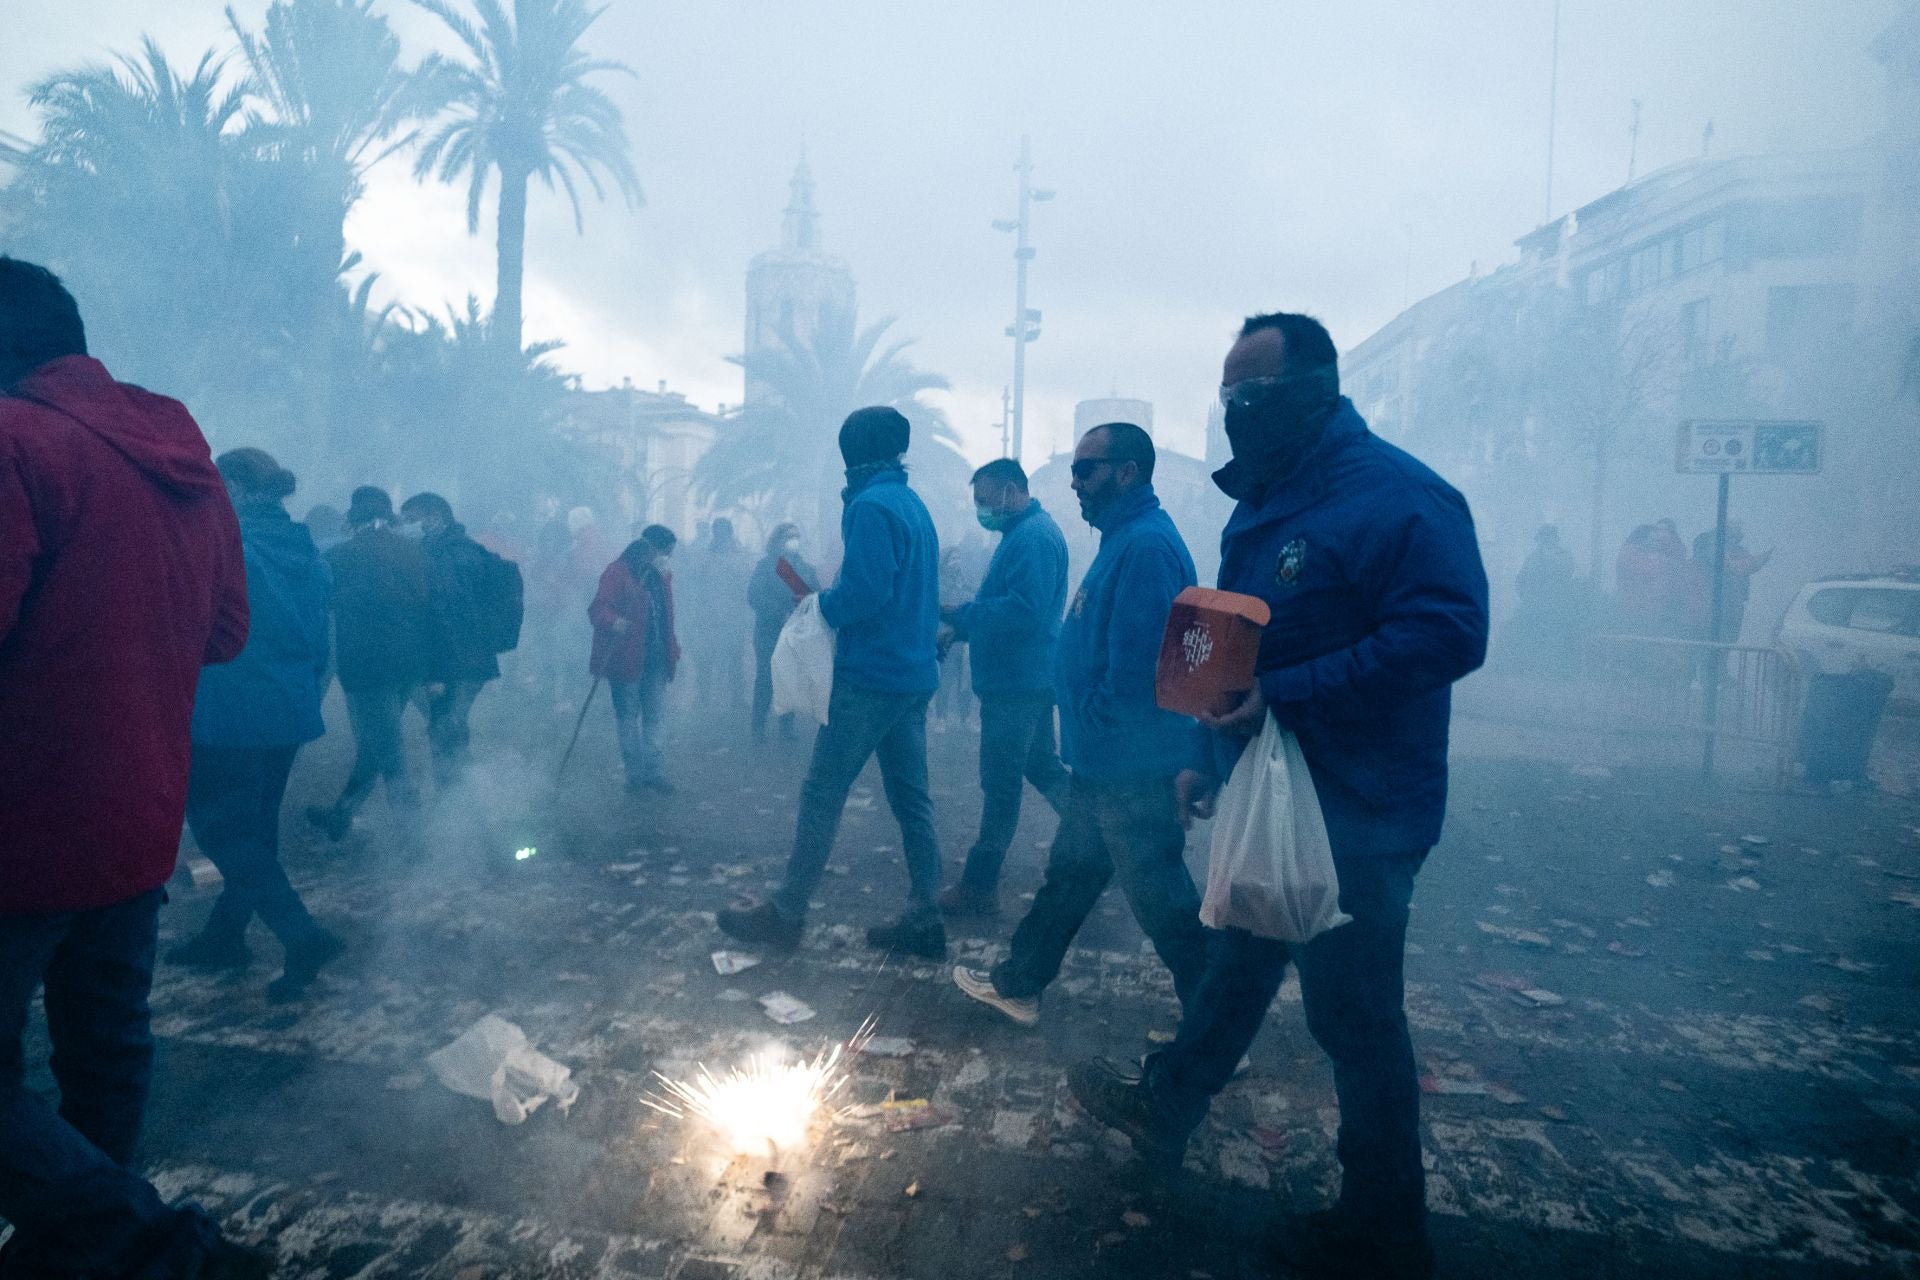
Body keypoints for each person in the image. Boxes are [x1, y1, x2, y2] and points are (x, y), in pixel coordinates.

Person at [1066, 314, 1489, 1280]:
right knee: (1237, 969)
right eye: (1227, 395)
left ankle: (1385, 1227)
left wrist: (1288, 695)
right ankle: (1167, 1102)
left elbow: (1449, 633)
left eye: (1252, 393)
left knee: (1355, 1017)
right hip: (1271, 791)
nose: (1235, 412)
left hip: (1360, 812)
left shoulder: (1400, 498)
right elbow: (1234, 646)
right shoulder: (1268, 501)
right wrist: (1200, 757)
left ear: (1313, 388)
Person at [0, 258, 270, 1276]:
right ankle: (78, 1253)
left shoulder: (16, 441)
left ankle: (156, 1247)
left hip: (19, 828)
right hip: (139, 818)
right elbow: (228, 629)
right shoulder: (187, 466)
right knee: (105, 1051)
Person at [951, 424, 1208, 1026]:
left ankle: (1219, 1028)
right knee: (1070, 878)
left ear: (1127, 472)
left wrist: (1095, 716)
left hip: (1131, 763)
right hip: (1106, 761)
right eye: (1073, 469)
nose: (1074, 483)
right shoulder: (1125, 539)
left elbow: (1138, 664)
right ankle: (1020, 983)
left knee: (1165, 903)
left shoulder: (1145, 546)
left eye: (1086, 470)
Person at [717, 406, 946, 958]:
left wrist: (821, 606)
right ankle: (926, 915)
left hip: (871, 677)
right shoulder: (913, 505)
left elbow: (867, 594)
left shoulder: (871, 506)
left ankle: (787, 912)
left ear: (852, 452)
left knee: (822, 793)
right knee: (913, 801)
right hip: (912, 674)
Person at [173, 449, 344, 1003]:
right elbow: (321, 644)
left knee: (222, 830)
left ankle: (301, 934)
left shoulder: (223, 544)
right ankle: (224, 936)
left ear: (238, 487)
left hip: (225, 709)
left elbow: (193, 627)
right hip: (287, 711)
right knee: (257, 829)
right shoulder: (311, 554)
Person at [938, 458, 1072, 916]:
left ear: (1013, 491)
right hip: (1028, 676)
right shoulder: (1026, 534)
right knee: (1042, 767)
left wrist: (959, 615)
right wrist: (963, 628)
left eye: (985, 501)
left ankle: (979, 885)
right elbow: (1008, 606)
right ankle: (1101, 841)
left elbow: (1021, 612)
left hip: (1017, 682)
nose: (981, 510)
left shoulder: (1032, 538)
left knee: (1000, 784)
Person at [304, 486, 432, 842]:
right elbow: (428, 603)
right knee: (378, 742)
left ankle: (413, 836)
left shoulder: (341, 556)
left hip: (368, 665)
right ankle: (342, 813)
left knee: (388, 749)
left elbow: (322, 608)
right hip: (411, 663)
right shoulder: (414, 551)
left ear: (352, 517)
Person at [400, 492, 506, 787]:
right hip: (468, 658)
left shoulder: (445, 556)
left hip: (454, 661)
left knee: (444, 726)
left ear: (435, 517)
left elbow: (445, 617)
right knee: (450, 723)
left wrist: (436, 672)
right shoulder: (460, 549)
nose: (408, 527)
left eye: (412, 520)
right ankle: (463, 794)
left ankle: (454, 800)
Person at [588, 525, 681, 793]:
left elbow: (665, 618)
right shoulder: (618, 572)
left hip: (656, 659)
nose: (668, 557)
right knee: (628, 716)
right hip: (624, 658)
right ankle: (635, 777)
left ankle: (655, 773)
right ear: (650, 549)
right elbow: (597, 609)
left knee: (656, 717)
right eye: (666, 551)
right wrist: (614, 621)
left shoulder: (661, 577)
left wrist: (673, 648)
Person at [748, 521, 819, 742]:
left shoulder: (806, 569)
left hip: (796, 633)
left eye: (796, 537)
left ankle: (786, 728)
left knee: (790, 679)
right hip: (769, 631)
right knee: (766, 680)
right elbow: (755, 596)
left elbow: (814, 596)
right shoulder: (766, 567)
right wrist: (779, 612)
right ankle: (758, 728)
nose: (793, 541)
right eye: (788, 537)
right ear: (777, 542)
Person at [688, 516, 753, 713]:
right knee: (705, 659)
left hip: (733, 617)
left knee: (735, 659)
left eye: (724, 532)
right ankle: (704, 697)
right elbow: (694, 580)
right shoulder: (703, 556)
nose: (721, 536)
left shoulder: (739, 557)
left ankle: (737, 697)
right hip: (709, 617)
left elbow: (746, 579)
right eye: (718, 532)